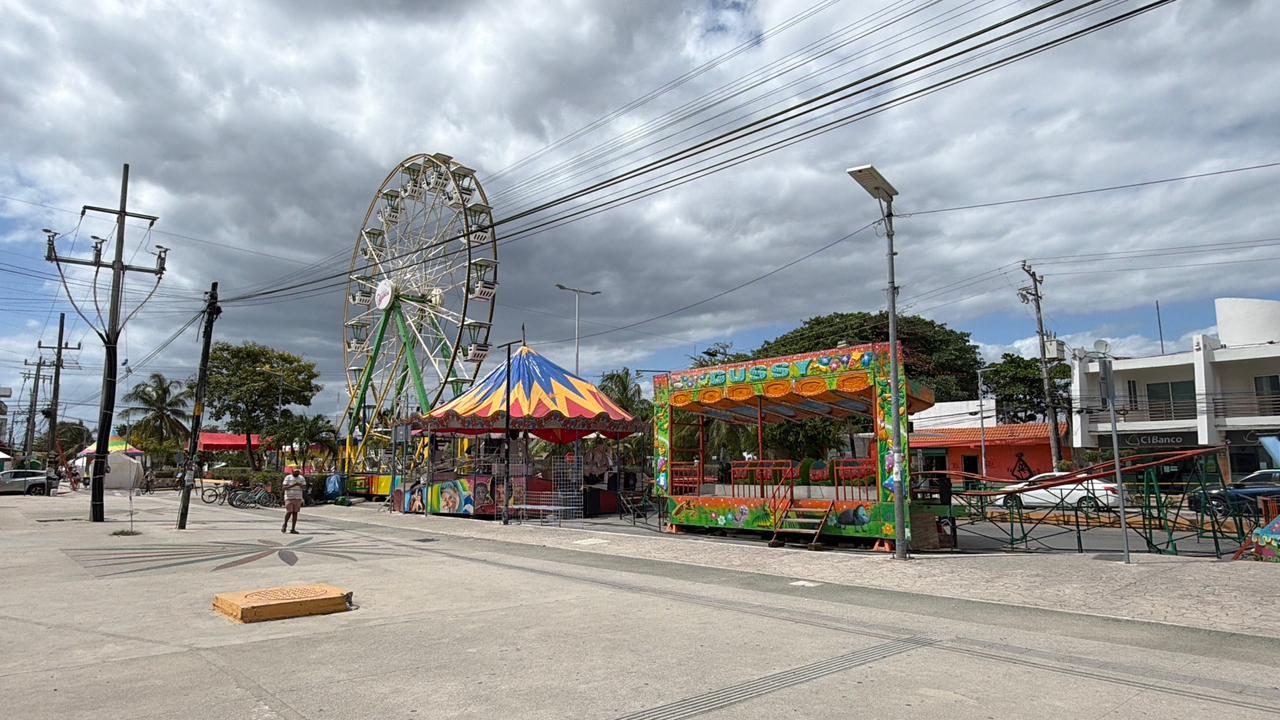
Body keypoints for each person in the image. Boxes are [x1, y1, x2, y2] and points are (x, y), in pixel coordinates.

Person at [282, 467, 306, 534]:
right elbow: (284, 487)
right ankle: (285, 524)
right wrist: (294, 485)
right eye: (296, 471)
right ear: (292, 471)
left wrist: (300, 485)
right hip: (289, 497)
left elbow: (304, 488)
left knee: (295, 513)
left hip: (298, 497)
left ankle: (293, 528)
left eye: (298, 472)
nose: (297, 473)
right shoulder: (288, 477)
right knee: (289, 511)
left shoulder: (301, 478)